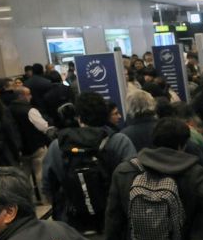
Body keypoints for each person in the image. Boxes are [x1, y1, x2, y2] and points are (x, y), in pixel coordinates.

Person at [42, 92, 137, 232]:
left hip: (72, 223)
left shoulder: (58, 146)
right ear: (106, 115)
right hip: (114, 221)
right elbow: (133, 180)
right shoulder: (119, 141)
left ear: (78, 117)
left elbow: (48, 186)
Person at [8, 86, 53, 194]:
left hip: (19, 148)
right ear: (21, 96)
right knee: (40, 173)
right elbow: (43, 126)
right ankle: (45, 197)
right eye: (28, 94)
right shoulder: (30, 110)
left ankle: (27, 198)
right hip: (36, 145)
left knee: (24, 175)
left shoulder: (8, 109)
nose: (30, 96)